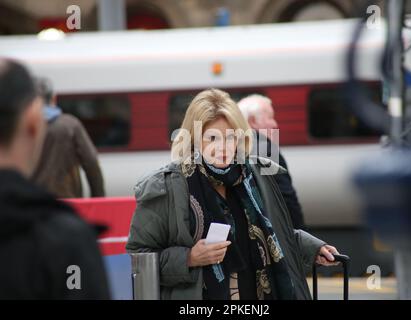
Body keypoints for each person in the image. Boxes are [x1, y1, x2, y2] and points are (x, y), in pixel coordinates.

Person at [126, 88, 339, 300]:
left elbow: (271, 233)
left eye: (230, 137)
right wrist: (189, 258)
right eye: (212, 138)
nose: (223, 147)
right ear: (194, 139)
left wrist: (312, 248)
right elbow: (138, 257)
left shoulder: (254, 176)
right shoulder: (167, 185)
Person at [0, 59, 110, 299]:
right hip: (62, 203)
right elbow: (91, 163)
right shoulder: (65, 240)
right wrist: (99, 201)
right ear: (32, 121)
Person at [238, 94, 305, 229]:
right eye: (270, 117)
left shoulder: (230, 146)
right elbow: (284, 197)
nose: (275, 124)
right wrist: (300, 233)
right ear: (252, 121)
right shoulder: (263, 146)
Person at [32, 78, 105, 198]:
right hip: (67, 202)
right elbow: (91, 162)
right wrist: (98, 198)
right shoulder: (71, 125)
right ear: (54, 98)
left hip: (32, 205)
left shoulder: (22, 130)